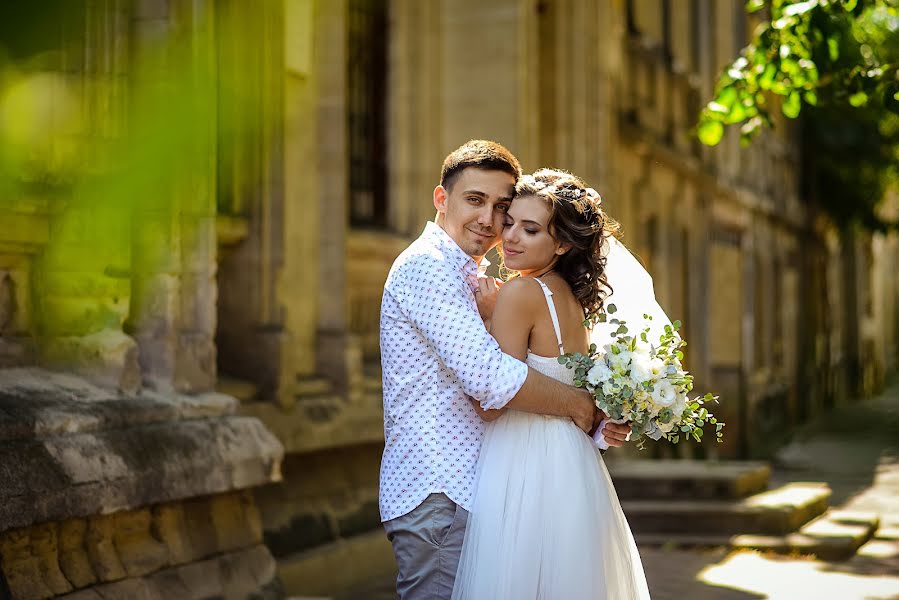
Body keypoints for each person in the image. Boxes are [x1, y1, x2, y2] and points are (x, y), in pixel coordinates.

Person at [379, 141, 632, 600]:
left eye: (503, 207)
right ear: (441, 199)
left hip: (489, 489)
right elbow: (489, 380)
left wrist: (595, 420)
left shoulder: (490, 282)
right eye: (475, 200)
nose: (492, 222)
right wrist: (583, 408)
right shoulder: (426, 268)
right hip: (440, 490)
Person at [452, 168, 651, 600]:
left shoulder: (519, 295)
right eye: (510, 224)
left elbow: (491, 403)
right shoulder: (570, 296)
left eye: (530, 229)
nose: (511, 238)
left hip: (524, 461)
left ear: (561, 243)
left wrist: (489, 315)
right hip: (573, 462)